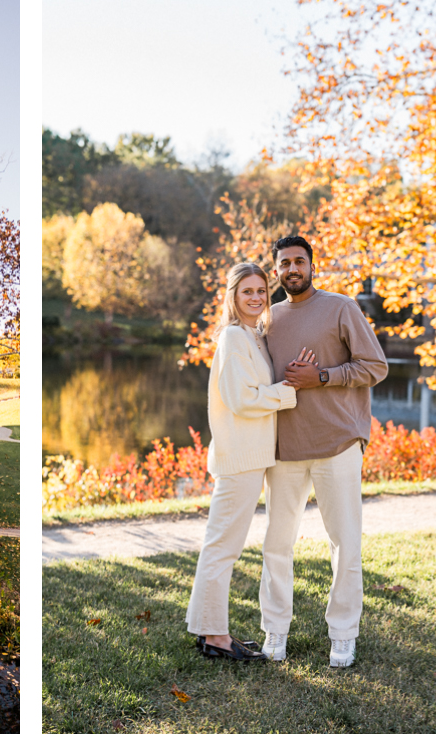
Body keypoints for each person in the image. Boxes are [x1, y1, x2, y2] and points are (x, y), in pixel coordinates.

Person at [259, 235, 388, 668]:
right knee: (276, 543)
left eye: (299, 261)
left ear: (312, 265)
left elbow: (376, 367)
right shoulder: (268, 319)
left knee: (345, 544)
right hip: (285, 450)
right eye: (284, 263)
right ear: (275, 271)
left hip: (338, 446)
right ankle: (275, 629)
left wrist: (324, 376)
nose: (292, 268)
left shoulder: (341, 307)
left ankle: (344, 634)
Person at [185, 262, 314, 662]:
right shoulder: (233, 339)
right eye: (248, 292)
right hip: (239, 457)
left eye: (262, 290)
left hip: (253, 456)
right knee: (222, 548)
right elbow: (242, 400)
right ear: (232, 297)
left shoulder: (254, 335)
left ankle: (210, 631)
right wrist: (287, 392)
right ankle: (216, 638)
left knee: (222, 546)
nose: (257, 297)